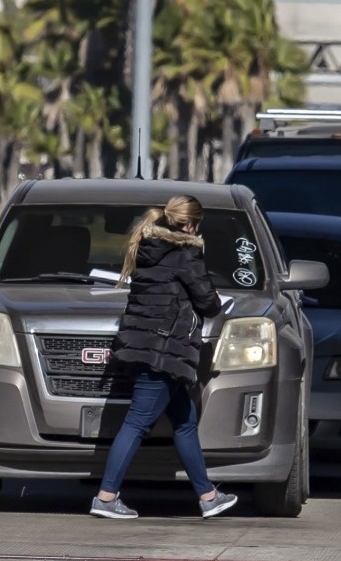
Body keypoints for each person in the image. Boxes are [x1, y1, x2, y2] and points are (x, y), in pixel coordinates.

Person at [89, 195, 237, 520]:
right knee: (138, 422)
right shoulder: (186, 253)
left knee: (184, 422)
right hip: (162, 352)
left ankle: (209, 496)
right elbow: (208, 302)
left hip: (142, 344)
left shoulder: (147, 248)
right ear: (193, 224)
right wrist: (217, 303)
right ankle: (106, 496)